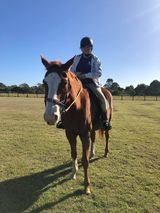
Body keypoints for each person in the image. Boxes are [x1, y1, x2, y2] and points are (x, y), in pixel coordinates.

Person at [57, 36, 112, 130]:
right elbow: (71, 71)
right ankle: (63, 119)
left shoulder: (96, 59)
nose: (86, 48)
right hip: (77, 83)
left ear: (91, 48)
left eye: (88, 47)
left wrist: (85, 75)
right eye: (84, 47)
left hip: (92, 83)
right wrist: (76, 75)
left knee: (102, 98)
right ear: (81, 48)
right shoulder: (76, 58)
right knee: (66, 96)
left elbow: (99, 73)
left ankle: (105, 120)